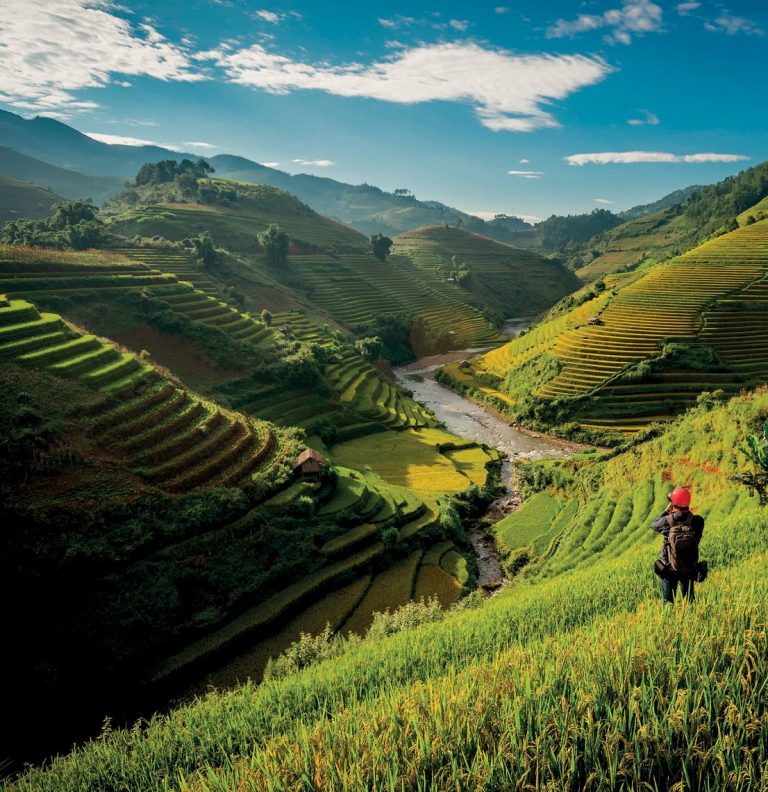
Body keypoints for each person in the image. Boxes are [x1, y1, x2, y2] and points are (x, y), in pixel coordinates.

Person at [651, 486, 704, 604]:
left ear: (673, 503)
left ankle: (668, 619)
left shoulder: (667, 521)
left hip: (669, 567)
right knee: (690, 600)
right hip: (689, 566)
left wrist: (666, 510)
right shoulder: (698, 521)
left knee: (668, 602)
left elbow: (654, 525)